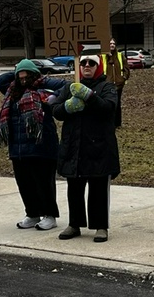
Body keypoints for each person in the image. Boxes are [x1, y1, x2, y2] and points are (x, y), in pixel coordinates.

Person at [51, 51, 120, 243]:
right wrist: (67, 106)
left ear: (98, 67)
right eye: (83, 63)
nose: (87, 66)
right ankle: (74, 223)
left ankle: (100, 226)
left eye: (91, 63)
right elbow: (55, 110)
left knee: (98, 188)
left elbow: (108, 108)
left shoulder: (107, 87)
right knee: (74, 187)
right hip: (75, 145)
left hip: (99, 146)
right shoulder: (70, 87)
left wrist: (89, 96)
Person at [0, 59, 70, 231]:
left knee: (44, 183)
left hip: (42, 144)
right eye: (19, 77)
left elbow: (66, 85)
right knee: (24, 183)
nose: (23, 81)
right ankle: (32, 213)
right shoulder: (12, 91)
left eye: (26, 77)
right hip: (18, 147)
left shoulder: (42, 89)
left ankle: (50, 215)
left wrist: (42, 82)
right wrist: (18, 68)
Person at [100, 38, 130, 127]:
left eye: (113, 43)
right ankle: (108, 123)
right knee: (108, 104)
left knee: (117, 104)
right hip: (106, 85)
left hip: (118, 84)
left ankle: (117, 123)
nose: (112, 45)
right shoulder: (103, 56)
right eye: (110, 43)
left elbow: (126, 69)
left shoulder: (120, 56)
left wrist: (123, 78)